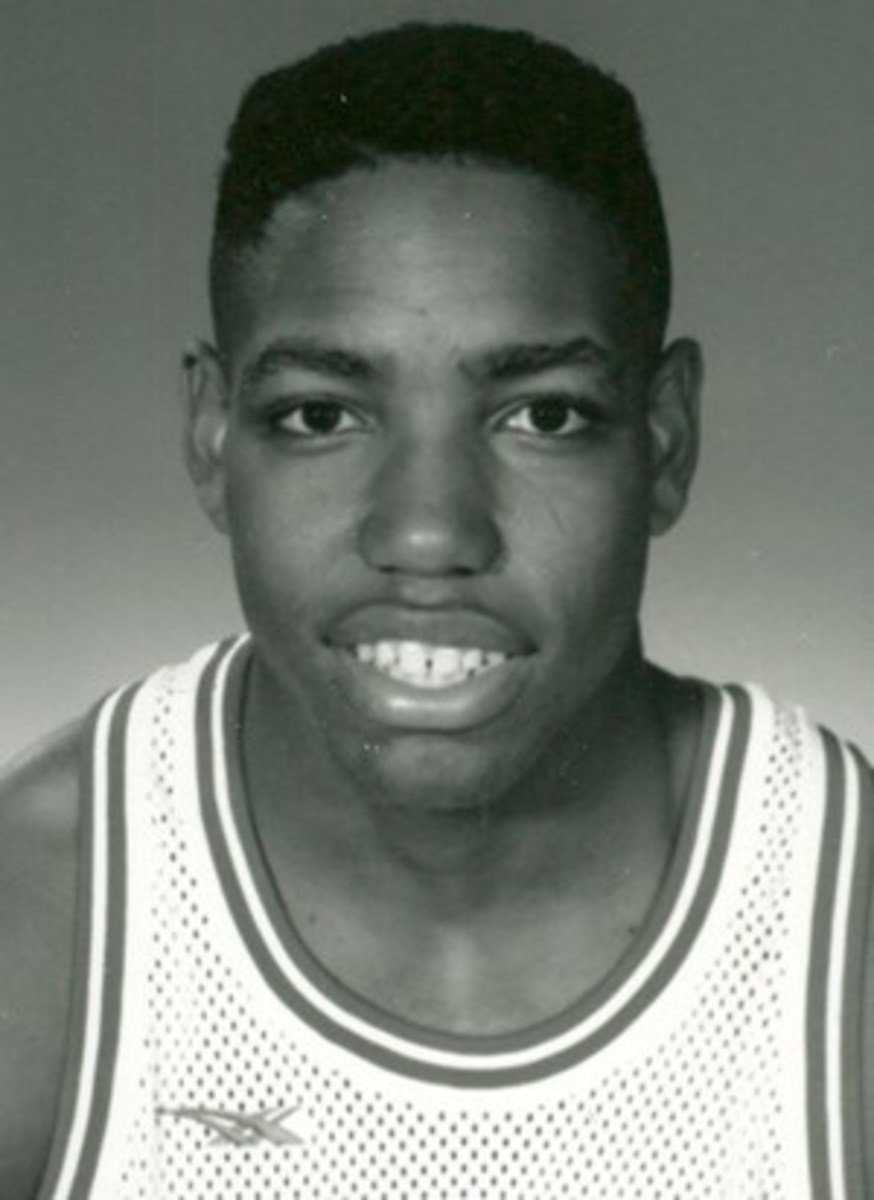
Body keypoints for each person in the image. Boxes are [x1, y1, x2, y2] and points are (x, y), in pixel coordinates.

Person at [0, 21, 870, 1199]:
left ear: (664, 441)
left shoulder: (841, 919)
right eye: (320, 415)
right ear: (211, 438)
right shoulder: (42, 915)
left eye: (543, 415)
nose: (427, 534)